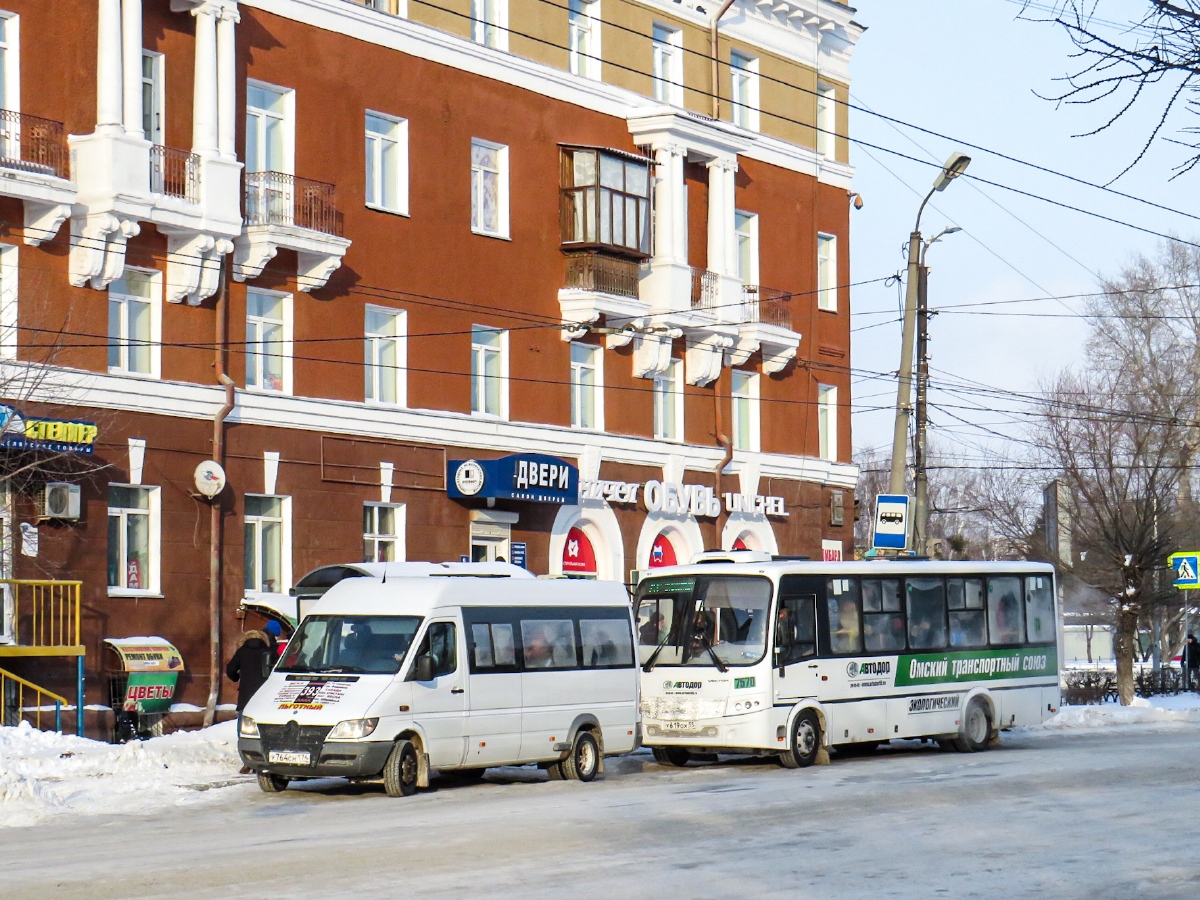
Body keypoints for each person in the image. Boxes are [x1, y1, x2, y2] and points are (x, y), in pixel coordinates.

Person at [226, 630, 274, 774]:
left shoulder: (241, 652)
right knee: (267, 729)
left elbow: (230, 670)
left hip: (246, 699)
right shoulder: (269, 652)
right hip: (265, 698)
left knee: (244, 731)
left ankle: (248, 761)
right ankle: (266, 759)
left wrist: (237, 677)